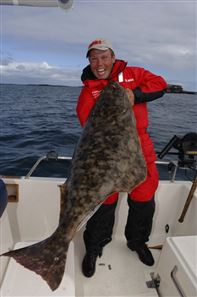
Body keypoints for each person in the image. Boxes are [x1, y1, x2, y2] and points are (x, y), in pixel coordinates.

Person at [76, 38, 167, 278]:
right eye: (93, 58)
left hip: (141, 149)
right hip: (109, 157)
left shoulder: (133, 74)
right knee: (103, 204)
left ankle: (137, 242)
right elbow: (88, 129)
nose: (99, 63)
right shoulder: (88, 91)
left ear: (113, 57)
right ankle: (94, 248)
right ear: (89, 62)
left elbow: (160, 85)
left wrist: (135, 95)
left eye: (104, 57)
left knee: (144, 201)